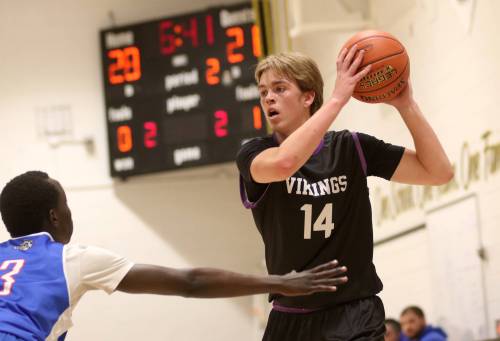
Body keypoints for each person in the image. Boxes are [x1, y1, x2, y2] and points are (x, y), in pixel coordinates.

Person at [236, 46, 453, 340]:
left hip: (354, 313)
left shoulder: (352, 148)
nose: (268, 98)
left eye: (279, 88)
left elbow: (439, 172)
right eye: (263, 92)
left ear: (308, 96)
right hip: (291, 316)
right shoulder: (255, 153)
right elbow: (284, 164)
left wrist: (406, 105)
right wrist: (339, 99)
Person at [0, 171, 349, 341]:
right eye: (66, 204)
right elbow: (190, 282)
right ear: (55, 216)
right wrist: (281, 282)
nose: (70, 213)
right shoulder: (69, 258)